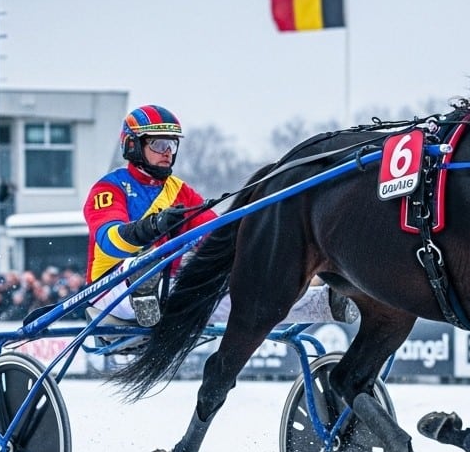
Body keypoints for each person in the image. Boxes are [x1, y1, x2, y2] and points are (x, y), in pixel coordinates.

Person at [84, 105, 353, 328]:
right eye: (159, 143)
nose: (168, 151)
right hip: (111, 287)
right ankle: (144, 290)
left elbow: (216, 237)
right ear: (132, 145)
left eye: (172, 144)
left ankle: (323, 303)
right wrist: (152, 226)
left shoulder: (181, 192)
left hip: (172, 288)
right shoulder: (110, 188)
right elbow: (110, 241)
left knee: (240, 294)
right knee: (141, 268)